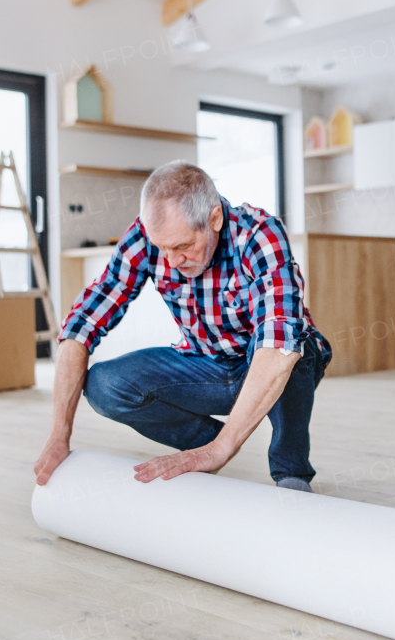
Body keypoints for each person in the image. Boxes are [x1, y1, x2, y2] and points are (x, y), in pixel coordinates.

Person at [33, 161, 331, 492]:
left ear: (214, 218)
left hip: (268, 364)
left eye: (183, 246)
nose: (172, 261)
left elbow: (278, 343)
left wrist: (221, 453)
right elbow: (82, 322)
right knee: (103, 385)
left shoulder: (259, 234)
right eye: (162, 248)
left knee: (294, 345)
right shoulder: (146, 236)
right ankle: (209, 442)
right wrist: (59, 434)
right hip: (205, 363)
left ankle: (290, 471)